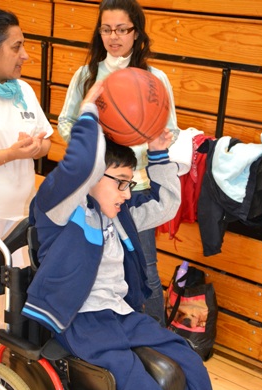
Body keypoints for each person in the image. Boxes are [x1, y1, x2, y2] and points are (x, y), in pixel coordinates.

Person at [22, 81, 223, 390]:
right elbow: (82, 163)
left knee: (193, 368)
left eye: (130, 184)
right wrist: (90, 109)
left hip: (122, 316)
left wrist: (159, 154)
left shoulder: (119, 213)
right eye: (121, 183)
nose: (127, 193)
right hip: (82, 321)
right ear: (93, 177)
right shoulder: (61, 209)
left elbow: (164, 206)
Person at [57, 0, 193, 326]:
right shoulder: (86, 75)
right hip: (91, 190)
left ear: (136, 33)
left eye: (122, 29)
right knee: (92, 264)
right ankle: (99, 336)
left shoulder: (154, 78)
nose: (113, 36)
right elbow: (65, 123)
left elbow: (169, 130)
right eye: (106, 29)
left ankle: (156, 343)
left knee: (143, 267)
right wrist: (96, 147)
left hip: (136, 190)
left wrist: (137, 146)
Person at [0, 7, 53, 333]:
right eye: (16, 46)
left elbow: (47, 142)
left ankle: (5, 374)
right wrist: (10, 153)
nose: (25, 55)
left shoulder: (23, 90)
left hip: (21, 217)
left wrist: (36, 148)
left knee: (16, 307)